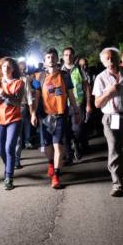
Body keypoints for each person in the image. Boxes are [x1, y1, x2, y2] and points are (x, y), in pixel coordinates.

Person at [92, 47, 123, 197]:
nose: (110, 60)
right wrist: (109, 92)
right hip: (111, 118)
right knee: (114, 148)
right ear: (103, 61)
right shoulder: (100, 78)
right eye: (107, 58)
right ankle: (117, 184)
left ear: (118, 58)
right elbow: (97, 103)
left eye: (113, 57)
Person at [31, 48, 80, 189]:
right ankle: (51, 163)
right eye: (48, 57)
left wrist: (76, 111)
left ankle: (56, 176)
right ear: (44, 61)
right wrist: (33, 113)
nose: (51, 59)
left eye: (53, 57)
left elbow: (70, 95)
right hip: (45, 116)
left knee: (58, 145)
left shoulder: (65, 76)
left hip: (60, 115)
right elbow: (36, 97)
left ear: (57, 59)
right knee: (47, 147)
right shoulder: (38, 77)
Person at [0, 57, 25, 190]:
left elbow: (17, 102)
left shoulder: (18, 83)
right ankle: (8, 166)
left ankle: (9, 176)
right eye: (4, 66)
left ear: (13, 68)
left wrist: (4, 94)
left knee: (9, 147)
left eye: (9, 66)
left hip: (14, 119)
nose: (6, 69)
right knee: (0, 150)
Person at [61, 47, 92, 164]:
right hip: (63, 105)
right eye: (66, 55)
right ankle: (69, 156)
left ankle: (76, 142)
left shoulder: (79, 69)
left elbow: (86, 87)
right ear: (63, 57)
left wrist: (88, 103)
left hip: (78, 104)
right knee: (65, 131)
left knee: (78, 129)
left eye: (70, 54)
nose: (68, 57)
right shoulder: (59, 71)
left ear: (73, 56)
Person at [15, 59, 35, 169]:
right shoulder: (4, 79)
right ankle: (12, 157)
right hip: (6, 110)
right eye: (21, 68)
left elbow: (28, 97)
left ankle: (16, 160)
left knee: (18, 135)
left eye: (23, 69)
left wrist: (32, 113)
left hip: (21, 108)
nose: (22, 70)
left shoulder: (24, 79)